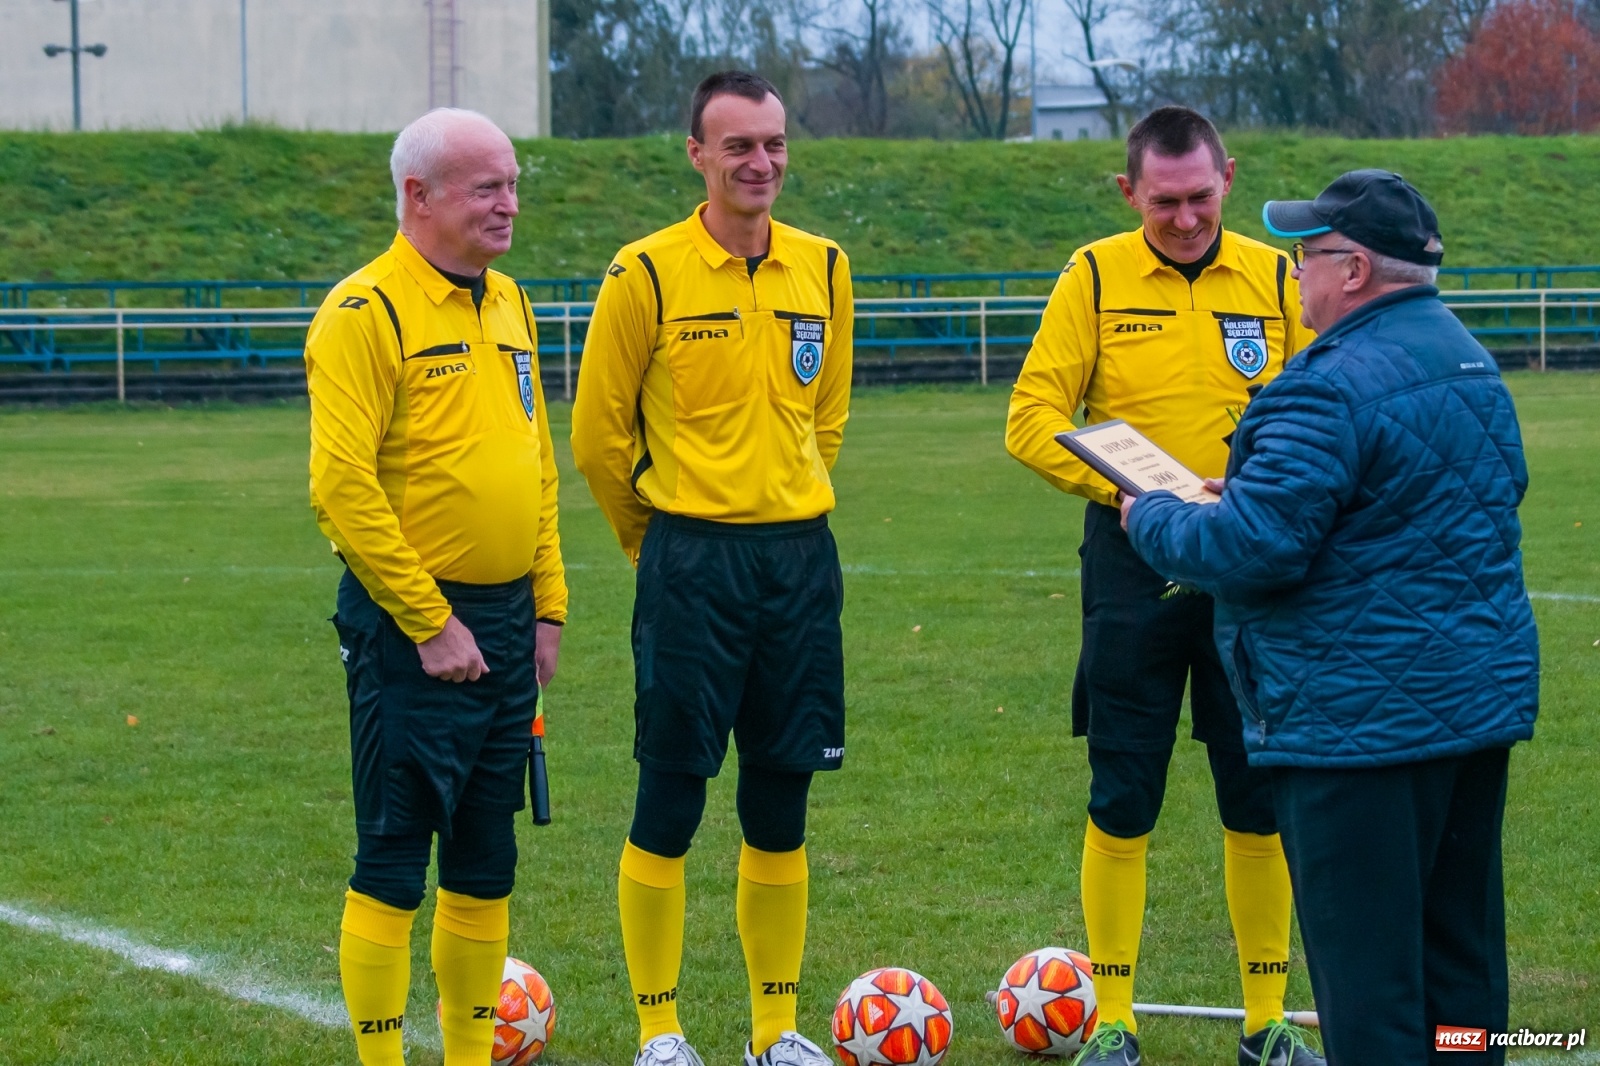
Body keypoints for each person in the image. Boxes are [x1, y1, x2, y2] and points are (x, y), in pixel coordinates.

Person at [1122, 170, 1539, 1066]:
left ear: (1353, 271)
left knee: (1371, 993)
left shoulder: (1325, 383)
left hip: (1359, 729)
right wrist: (1262, 495)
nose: (1296, 272)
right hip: (1470, 711)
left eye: (1307, 255)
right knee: (1462, 973)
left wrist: (1151, 515)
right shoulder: (1466, 355)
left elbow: (1252, 550)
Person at [1005, 106, 1323, 1066]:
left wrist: (1265, 490)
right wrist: (1139, 491)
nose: (1185, 219)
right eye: (1164, 202)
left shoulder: (1278, 275)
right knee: (1123, 793)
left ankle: (1265, 1024)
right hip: (1133, 562)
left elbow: (1323, 408)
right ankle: (1113, 1023)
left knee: (1257, 793)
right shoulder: (1093, 275)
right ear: (1127, 191)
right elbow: (1031, 417)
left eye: (1200, 197)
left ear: (1228, 175)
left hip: (1251, 565)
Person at [570, 70, 853, 1066]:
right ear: (696, 154)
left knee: (781, 804)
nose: (761, 162)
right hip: (690, 563)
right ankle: (660, 1030)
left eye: (773, 143)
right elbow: (599, 438)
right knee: (672, 796)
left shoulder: (824, 265)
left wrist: (786, 496)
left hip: (799, 566)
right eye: (738, 145)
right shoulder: (643, 273)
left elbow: (828, 416)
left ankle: (774, 1030)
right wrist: (656, 545)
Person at [305, 107, 568, 1066]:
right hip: (411, 625)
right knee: (394, 855)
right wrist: (428, 619)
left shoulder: (511, 303)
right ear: (417, 198)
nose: (508, 204)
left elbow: (536, 460)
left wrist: (547, 602)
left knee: (485, 859)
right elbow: (340, 487)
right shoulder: (362, 313)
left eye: (511, 183)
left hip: (504, 620)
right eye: (485, 186)